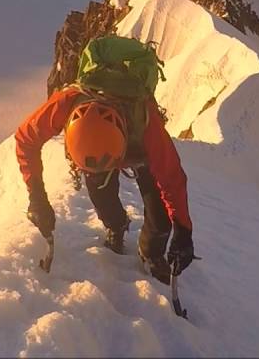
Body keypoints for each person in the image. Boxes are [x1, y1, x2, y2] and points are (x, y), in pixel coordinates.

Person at [15, 74, 194, 284]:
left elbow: (171, 178)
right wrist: (36, 195)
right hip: (94, 151)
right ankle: (116, 225)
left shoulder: (145, 124)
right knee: (103, 199)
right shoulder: (66, 102)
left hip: (139, 153)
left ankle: (152, 253)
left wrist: (183, 229)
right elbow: (26, 139)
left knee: (160, 217)